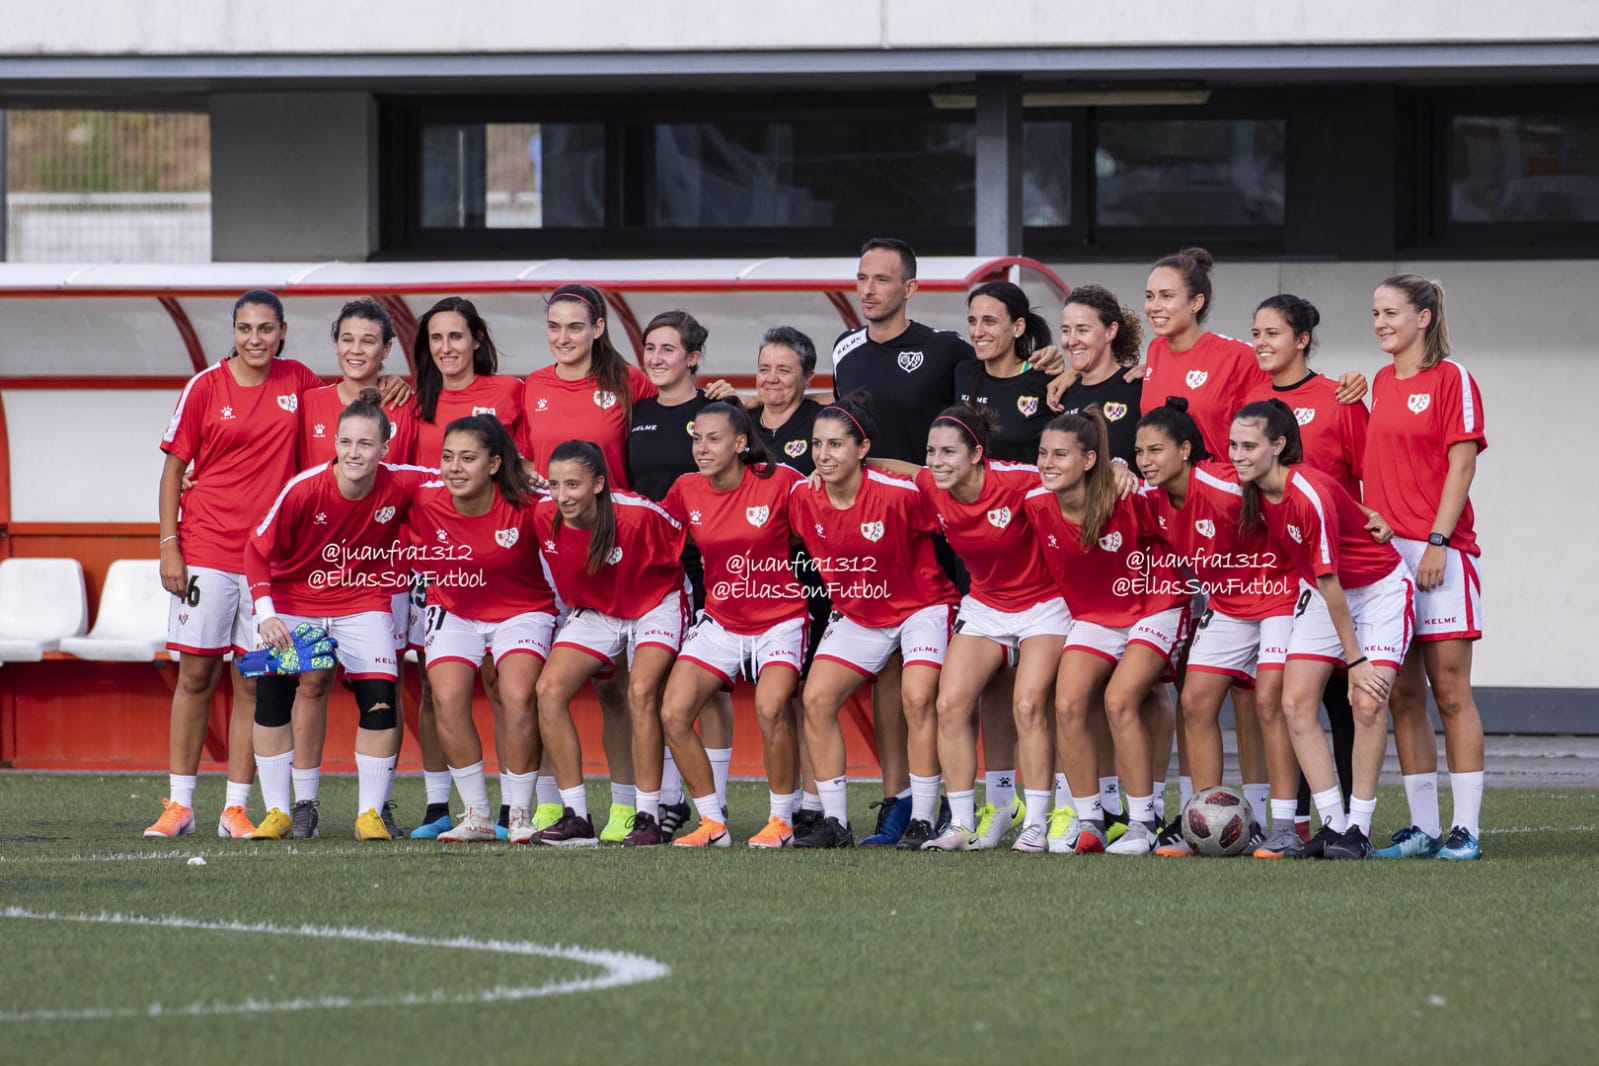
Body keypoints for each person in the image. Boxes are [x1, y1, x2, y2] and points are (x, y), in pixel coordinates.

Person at [149, 289, 325, 839]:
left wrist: (388, 382)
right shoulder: (205, 386)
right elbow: (175, 469)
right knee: (195, 675)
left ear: (282, 332)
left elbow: (347, 401)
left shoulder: (299, 381)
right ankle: (179, 805)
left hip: (268, 562)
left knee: (254, 680)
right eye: (246, 328)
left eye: (266, 329)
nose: (256, 339)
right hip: (204, 549)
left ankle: (235, 808)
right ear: (234, 331)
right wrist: (168, 543)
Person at [868, 405, 1070, 853]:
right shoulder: (932, 484)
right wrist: (856, 461)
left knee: (1029, 704)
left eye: (948, 452)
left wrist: (1116, 470)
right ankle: (960, 823)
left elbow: (1069, 473)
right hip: (985, 606)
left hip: (1045, 604)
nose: (937, 461)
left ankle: (1036, 821)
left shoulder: (1020, 481)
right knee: (950, 703)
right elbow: (910, 470)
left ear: (977, 453)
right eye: (932, 451)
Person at [242, 390, 434, 841]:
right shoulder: (303, 489)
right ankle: (279, 812)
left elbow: (456, 475)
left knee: (381, 700)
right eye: (346, 442)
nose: (354, 452)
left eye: (365, 444)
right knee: (273, 697)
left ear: (385, 448)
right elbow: (256, 549)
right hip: (293, 602)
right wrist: (266, 612)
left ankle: (369, 814)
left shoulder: (404, 480)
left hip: (362, 603)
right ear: (334, 441)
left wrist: (519, 473)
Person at [1234, 399, 1413, 860]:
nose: (1238, 454)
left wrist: (1355, 660)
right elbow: (1335, 500)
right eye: (1234, 444)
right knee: (1294, 702)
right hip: (1324, 591)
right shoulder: (1258, 487)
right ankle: (1331, 825)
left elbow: (1331, 577)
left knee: (1367, 701)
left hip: (1377, 589)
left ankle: (1360, 829)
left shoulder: (1303, 492)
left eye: (1249, 446)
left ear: (1278, 446)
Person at [788, 394, 960, 848]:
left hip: (921, 605)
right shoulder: (803, 498)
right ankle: (836, 825)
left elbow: (956, 514)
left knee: (918, 698)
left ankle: (923, 819)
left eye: (836, 445)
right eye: (817, 445)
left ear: (861, 449)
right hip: (861, 614)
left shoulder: (900, 494)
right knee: (816, 699)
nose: (823, 456)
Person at [522, 283, 658, 842]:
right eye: (554, 326)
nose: (563, 337)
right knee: (543, 684)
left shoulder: (630, 384)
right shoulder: (531, 387)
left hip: (621, 555)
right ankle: (557, 806)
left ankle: (630, 809)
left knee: (620, 691)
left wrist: (716, 393)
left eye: (575, 326)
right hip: (555, 556)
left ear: (598, 328)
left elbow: (674, 424)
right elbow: (515, 455)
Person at [1134, 399, 1298, 856]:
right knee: (1195, 702)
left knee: (1270, 702)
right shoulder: (1152, 499)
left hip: (1279, 596)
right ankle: (1201, 824)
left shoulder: (1225, 486)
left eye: (1156, 450)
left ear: (1185, 450)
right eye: (1139, 452)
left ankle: (1281, 826)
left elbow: (1295, 503)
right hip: (1227, 605)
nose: (1145, 461)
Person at [1024, 408, 1191, 856]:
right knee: (1068, 703)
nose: (1047, 463)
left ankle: (1141, 824)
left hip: (1155, 606)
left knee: (1119, 700)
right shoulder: (1035, 504)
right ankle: (1091, 821)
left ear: (1089, 460)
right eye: (1043, 454)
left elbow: (1186, 513)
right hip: (1095, 615)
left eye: (1061, 455)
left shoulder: (1131, 498)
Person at [1363, 276, 1489, 861]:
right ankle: (1421, 828)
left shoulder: (1452, 378)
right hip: (1390, 558)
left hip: (1440, 551)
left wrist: (1438, 539)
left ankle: (1466, 830)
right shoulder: (1382, 383)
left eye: (1390, 312)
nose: (1381, 322)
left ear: (1423, 316)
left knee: (1451, 692)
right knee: (1403, 694)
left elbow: (1461, 467)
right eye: (1375, 313)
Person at [648, 402, 809, 848]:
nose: (701, 448)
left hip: (780, 618)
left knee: (773, 707)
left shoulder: (781, 481)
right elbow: (654, 533)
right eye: (697, 438)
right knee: (673, 712)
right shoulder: (685, 488)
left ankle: (782, 822)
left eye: (713, 439)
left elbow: (818, 520)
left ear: (741, 444)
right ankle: (712, 822)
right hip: (721, 619)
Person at [287, 297, 419, 839]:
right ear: (334, 343)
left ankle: (378, 803)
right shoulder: (308, 402)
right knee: (310, 682)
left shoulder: (403, 403)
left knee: (384, 685)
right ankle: (303, 805)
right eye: (348, 339)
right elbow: (286, 476)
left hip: (382, 576)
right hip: (311, 577)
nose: (357, 349)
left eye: (370, 340)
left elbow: (411, 481)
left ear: (388, 349)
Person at [1244, 294, 1369, 837]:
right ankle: (1295, 821)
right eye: (1256, 333)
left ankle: (1342, 825)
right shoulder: (1249, 400)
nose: (1262, 344)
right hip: (1277, 572)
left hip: (1338, 571)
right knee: (1287, 698)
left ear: (1302, 340)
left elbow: (1368, 476)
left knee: (1340, 700)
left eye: (1273, 333)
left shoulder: (1339, 397)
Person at [407, 297, 527, 840]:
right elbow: (401, 478)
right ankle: (454, 809)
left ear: (477, 339)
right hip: (439, 570)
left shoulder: (510, 393)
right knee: (440, 690)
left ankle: (518, 810)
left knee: (509, 688)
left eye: (456, 337)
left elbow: (529, 466)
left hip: (508, 561)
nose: (446, 349)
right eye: (435, 339)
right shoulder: (412, 403)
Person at [531, 441, 687, 847]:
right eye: (554, 485)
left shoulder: (638, 515)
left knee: (640, 691)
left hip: (655, 603)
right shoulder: (544, 514)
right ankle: (576, 816)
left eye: (573, 485)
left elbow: (688, 539)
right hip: (598, 611)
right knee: (548, 690)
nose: (562, 496)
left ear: (599, 483)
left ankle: (648, 815)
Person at [409, 416, 556, 843]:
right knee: (447, 696)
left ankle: (521, 816)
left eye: (467, 458)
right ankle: (475, 816)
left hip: (523, 610)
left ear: (493, 465)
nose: (454, 467)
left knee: (516, 694)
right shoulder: (425, 499)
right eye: (448, 457)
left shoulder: (531, 504)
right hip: (454, 607)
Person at [625, 310, 735, 838]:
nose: (656, 359)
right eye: (650, 348)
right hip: (649, 564)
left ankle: (714, 800)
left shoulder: (718, 410)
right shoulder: (636, 411)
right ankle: (669, 801)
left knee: (706, 686)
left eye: (668, 349)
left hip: (706, 562)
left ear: (693, 358)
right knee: (658, 687)